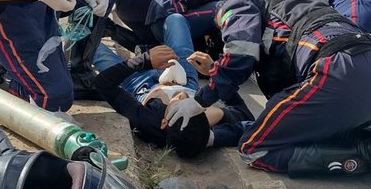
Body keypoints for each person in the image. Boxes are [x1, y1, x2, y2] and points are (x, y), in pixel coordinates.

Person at [166, 0, 371, 180]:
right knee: (310, 129)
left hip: (339, 70)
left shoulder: (235, 4)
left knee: (255, 148)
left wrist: (200, 100)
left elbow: (241, 52)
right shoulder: (291, 7)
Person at [91, 44, 254, 158]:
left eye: (180, 105)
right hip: (186, 78)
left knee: (96, 48)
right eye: (193, 105)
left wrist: (145, 60)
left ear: (163, 122)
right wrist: (214, 72)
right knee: (175, 19)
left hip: (138, 82)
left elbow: (103, 83)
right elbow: (246, 118)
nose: (183, 96)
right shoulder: (198, 130)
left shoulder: (149, 121)